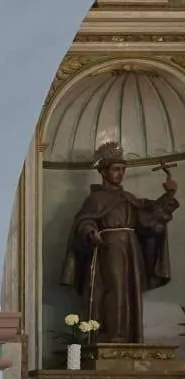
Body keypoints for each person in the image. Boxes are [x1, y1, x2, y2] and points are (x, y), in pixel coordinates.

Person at [60, 139, 178, 343]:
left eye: (123, 169)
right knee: (115, 287)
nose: (120, 173)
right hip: (110, 247)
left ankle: (128, 334)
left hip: (130, 248)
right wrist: (90, 233)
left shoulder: (128, 198)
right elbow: (83, 221)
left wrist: (169, 194)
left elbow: (148, 219)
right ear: (104, 172)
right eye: (116, 169)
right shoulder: (95, 200)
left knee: (129, 290)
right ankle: (111, 333)